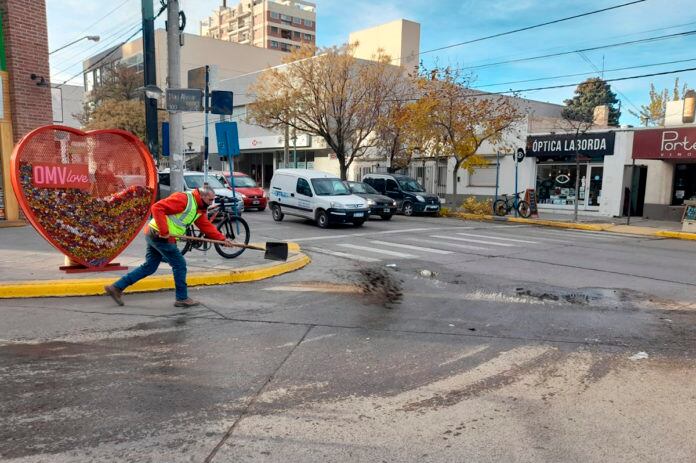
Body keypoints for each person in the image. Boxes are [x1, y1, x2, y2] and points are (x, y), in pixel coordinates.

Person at [104, 185, 233, 307]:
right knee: (179, 264)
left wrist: (222, 239)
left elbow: (206, 226)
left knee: (150, 266)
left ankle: (116, 287)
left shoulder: (199, 208)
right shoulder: (184, 199)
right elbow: (157, 207)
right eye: (210, 200)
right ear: (203, 196)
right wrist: (164, 231)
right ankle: (182, 299)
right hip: (160, 236)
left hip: (154, 234)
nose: (212, 203)